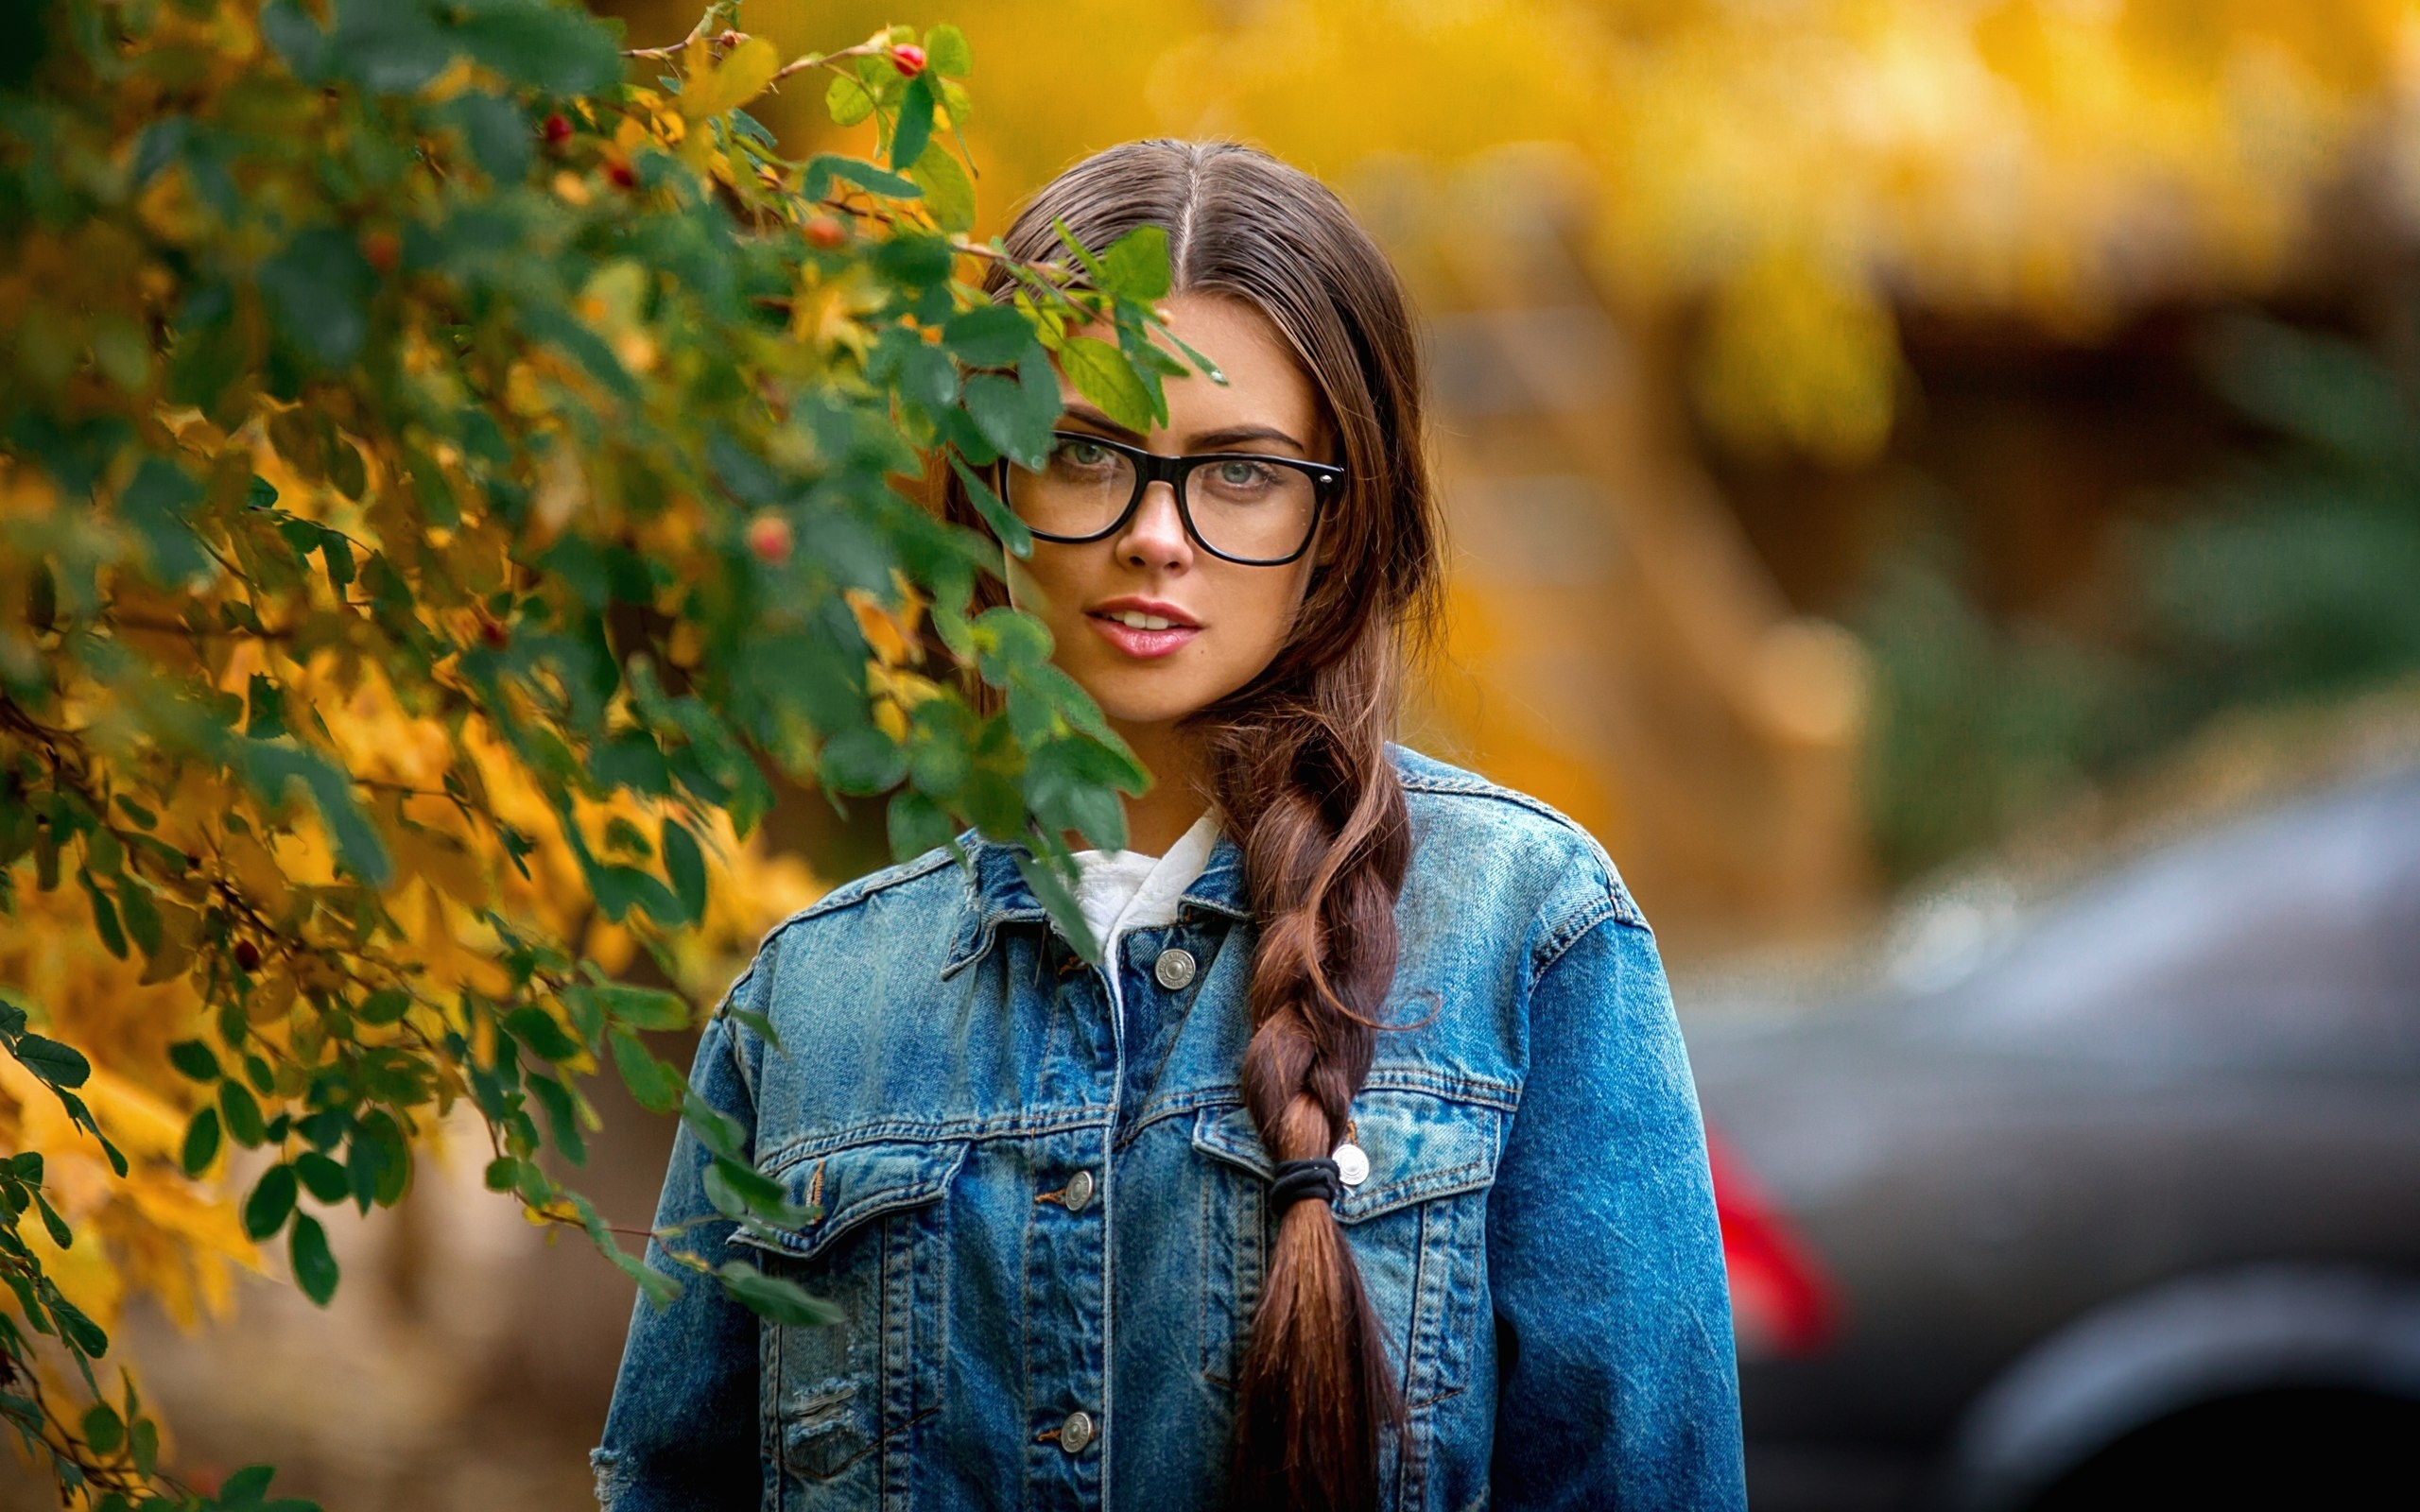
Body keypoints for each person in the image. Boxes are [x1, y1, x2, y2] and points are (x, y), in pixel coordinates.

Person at [590, 137, 1746, 1512]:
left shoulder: (1533, 933)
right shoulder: (812, 1005)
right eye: (1089, 452)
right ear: (991, 487)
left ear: (1344, 516)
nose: (1157, 534)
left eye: (1242, 471)